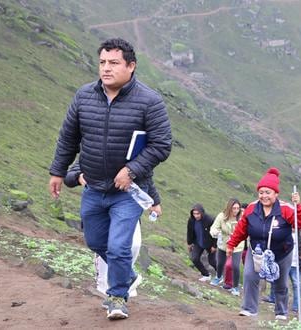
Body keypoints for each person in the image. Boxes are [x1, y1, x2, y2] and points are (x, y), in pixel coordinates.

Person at [48, 38, 172, 320]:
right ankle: (127, 274)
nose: (106, 68)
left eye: (114, 63)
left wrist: (131, 171)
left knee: (119, 247)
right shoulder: (83, 96)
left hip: (127, 192)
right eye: (102, 62)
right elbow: (68, 138)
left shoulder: (150, 101)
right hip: (92, 186)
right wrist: (58, 172)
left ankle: (117, 297)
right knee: (95, 242)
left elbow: (162, 145)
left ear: (131, 66)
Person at [64, 162, 162, 303]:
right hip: (100, 211)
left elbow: (145, 176)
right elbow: (70, 174)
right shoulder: (93, 151)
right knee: (107, 249)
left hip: (127, 209)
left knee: (131, 247)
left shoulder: (131, 157)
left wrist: (154, 202)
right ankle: (108, 291)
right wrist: (78, 177)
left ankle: (125, 286)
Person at [226, 167, 301, 320]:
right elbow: (241, 229)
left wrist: (298, 205)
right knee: (250, 276)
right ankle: (249, 308)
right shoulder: (251, 208)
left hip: (282, 252)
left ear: (276, 194)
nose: (264, 196)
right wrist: (231, 244)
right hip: (257, 251)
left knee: (280, 283)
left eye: (268, 192)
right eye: (261, 192)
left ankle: (281, 311)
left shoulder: (286, 209)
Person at [262, 229, 301, 312]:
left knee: (296, 285)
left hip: (296, 264)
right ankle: (273, 298)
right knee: (276, 280)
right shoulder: (283, 230)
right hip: (283, 261)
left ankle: (296, 306)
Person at [209, 198, 244, 296]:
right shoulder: (221, 216)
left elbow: (246, 230)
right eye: (234, 208)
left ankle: (235, 287)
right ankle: (219, 277)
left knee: (235, 266)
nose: (236, 211)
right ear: (229, 208)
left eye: (238, 208)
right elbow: (214, 227)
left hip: (237, 245)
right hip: (224, 244)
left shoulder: (242, 217)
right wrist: (215, 232)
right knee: (220, 263)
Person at [187, 204, 217, 281]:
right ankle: (206, 274)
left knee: (212, 261)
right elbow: (189, 232)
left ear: (202, 213)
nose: (196, 216)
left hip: (210, 243)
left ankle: (221, 275)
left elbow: (216, 233)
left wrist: (214, 245)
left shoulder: (210, 220)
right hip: (198, 242)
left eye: (198, 214)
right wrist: (189, 243)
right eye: (194, 214)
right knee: (194, 258)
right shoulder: (191, 220)